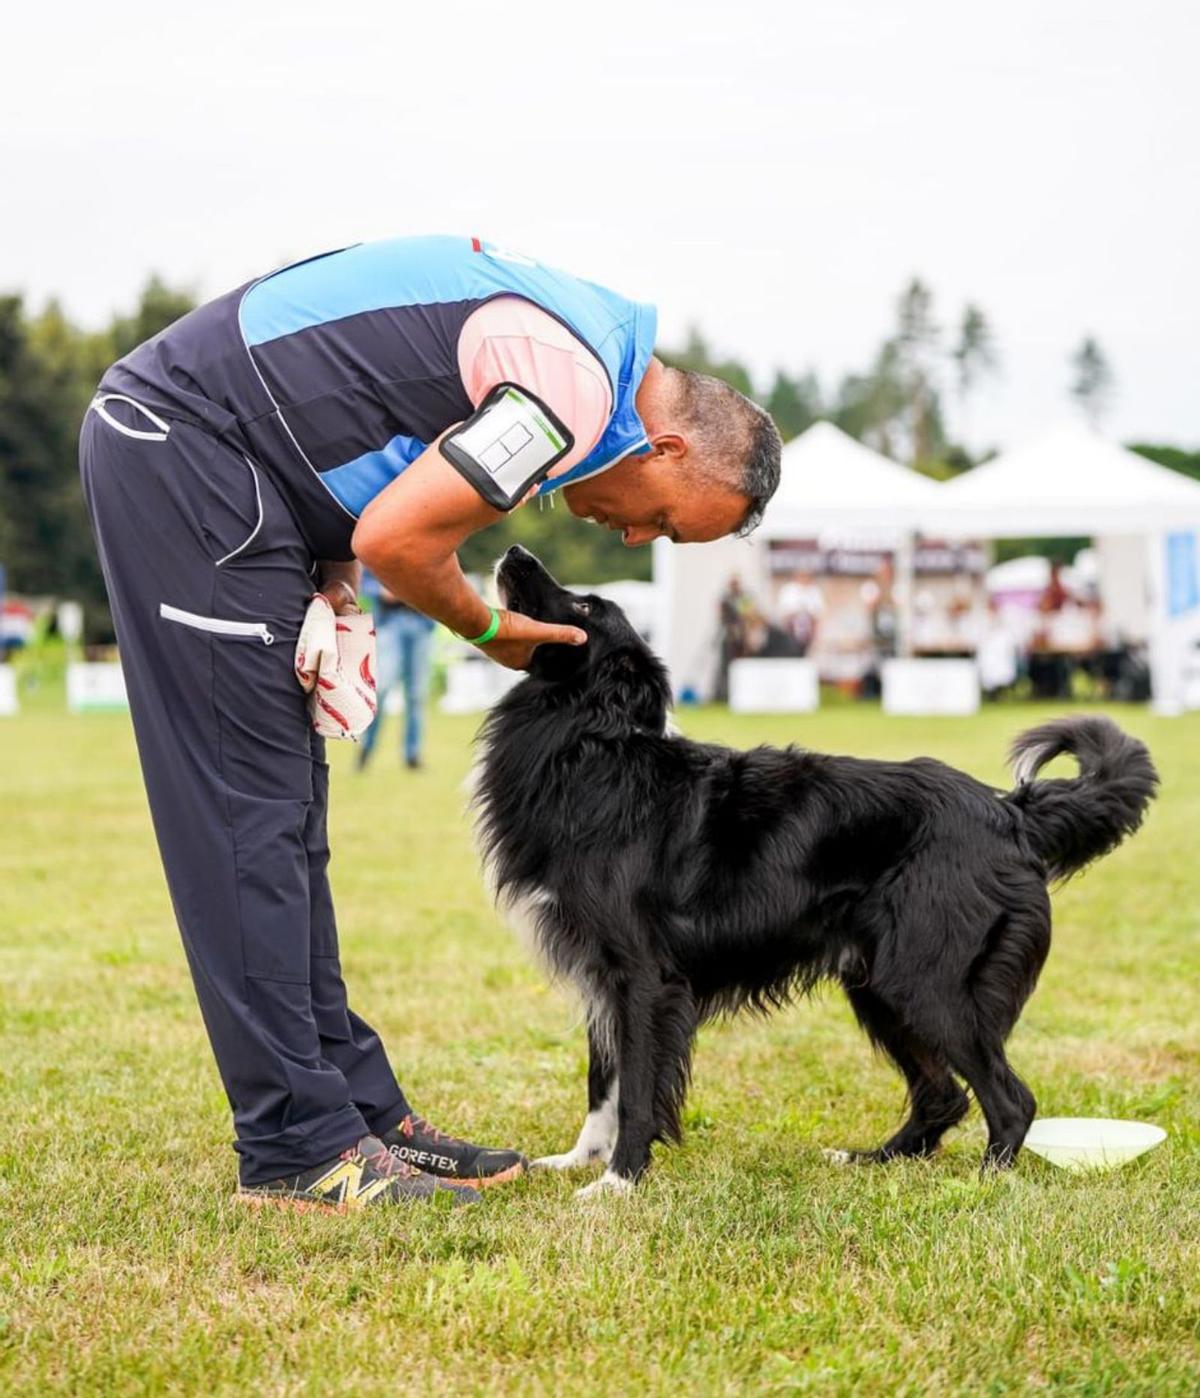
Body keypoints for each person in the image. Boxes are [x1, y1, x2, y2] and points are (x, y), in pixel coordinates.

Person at [79, 234, 781, 1212]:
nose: (631, 535)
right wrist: (489, 629)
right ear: (665, 447)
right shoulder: (572, 397)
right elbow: (402, 537)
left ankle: (357, 1111)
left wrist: (329, 557)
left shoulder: (594, 344)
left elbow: (364, 404)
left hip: (247, 479)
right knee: (248, 823)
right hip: (188, 454)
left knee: (287, 823)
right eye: (661, 520)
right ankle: (296, 1145)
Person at [356, 574, 436, 772]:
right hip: (390, 623)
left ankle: (412, 755)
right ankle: (366, 748)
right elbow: (362, 578)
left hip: (420, 623)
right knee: (381, 689)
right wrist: (381, 590)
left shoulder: (428, 545)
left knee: (417, 695)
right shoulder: (380, 543)